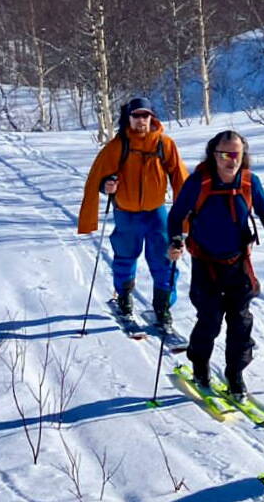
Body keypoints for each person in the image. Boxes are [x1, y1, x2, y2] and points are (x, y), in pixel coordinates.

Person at [167, 130, 264, 399]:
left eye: (237, 154)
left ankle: (235, 374)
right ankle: (200, 366)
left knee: (241, 321)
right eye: (225, 154)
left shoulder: (250, 182)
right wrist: (175, 241)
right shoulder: (199, 182)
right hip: (205, 262)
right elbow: (176, 215)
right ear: (214, 155)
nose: (232, 160)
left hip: (239, 262)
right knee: (210, 319)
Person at [77, 97, 188, 331]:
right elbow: (98, 178)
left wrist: (185, 219)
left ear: (152, 117)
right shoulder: (118, 146)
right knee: (125, 257)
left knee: (164, 260)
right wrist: (107, 185)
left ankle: (163, 307)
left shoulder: (164, 144)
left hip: (157, 213)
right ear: (129, 118)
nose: (141, 120)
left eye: (145, 115)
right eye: (136, 115)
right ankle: (125, 298)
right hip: (126, 212)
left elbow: (180, 179)